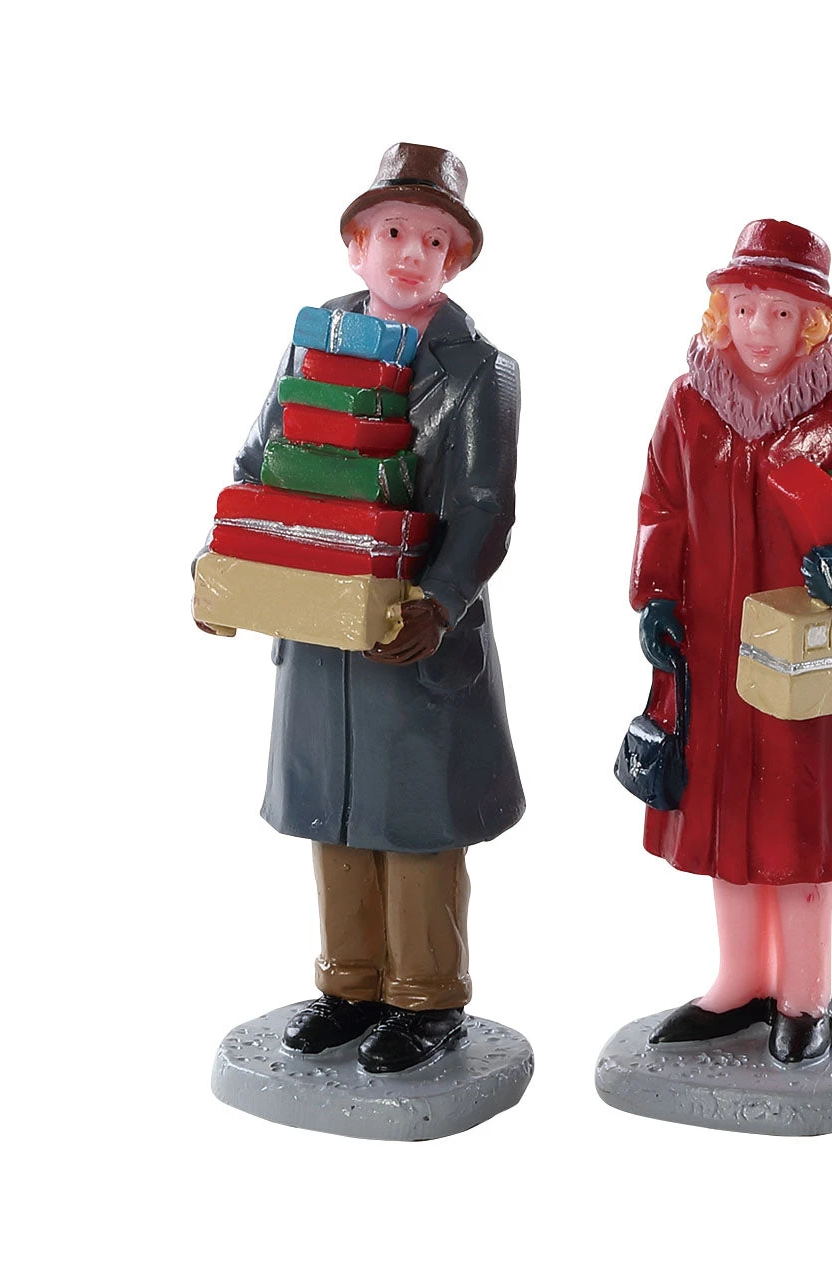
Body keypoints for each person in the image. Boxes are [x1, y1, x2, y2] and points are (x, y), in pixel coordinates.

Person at [220, 143, 524, 1073]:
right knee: (335, 810)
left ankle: (426, 998)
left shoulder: (481, 372)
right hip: (319, 628)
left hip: (410, 635)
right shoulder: (316, 341)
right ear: (357, 245)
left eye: (434, 240)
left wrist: (439, 601)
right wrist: (230, 567)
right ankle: (350, 984)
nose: (410, 254)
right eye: (393, 232)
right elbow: (261, 463)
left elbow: (484, 513)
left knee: (417, 822)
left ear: (454, 261)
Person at [630, 219, 832, 1064]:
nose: (757, 328)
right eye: (743, 307)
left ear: (811, 321)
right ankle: (741, 982)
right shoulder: (689, 404)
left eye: (778, 311)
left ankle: (806, 996)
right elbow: (661, 507)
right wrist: (654, 597)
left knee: (800, 831)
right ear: (720, 312)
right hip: (710, 657)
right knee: (725, 829)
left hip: (807, 662)